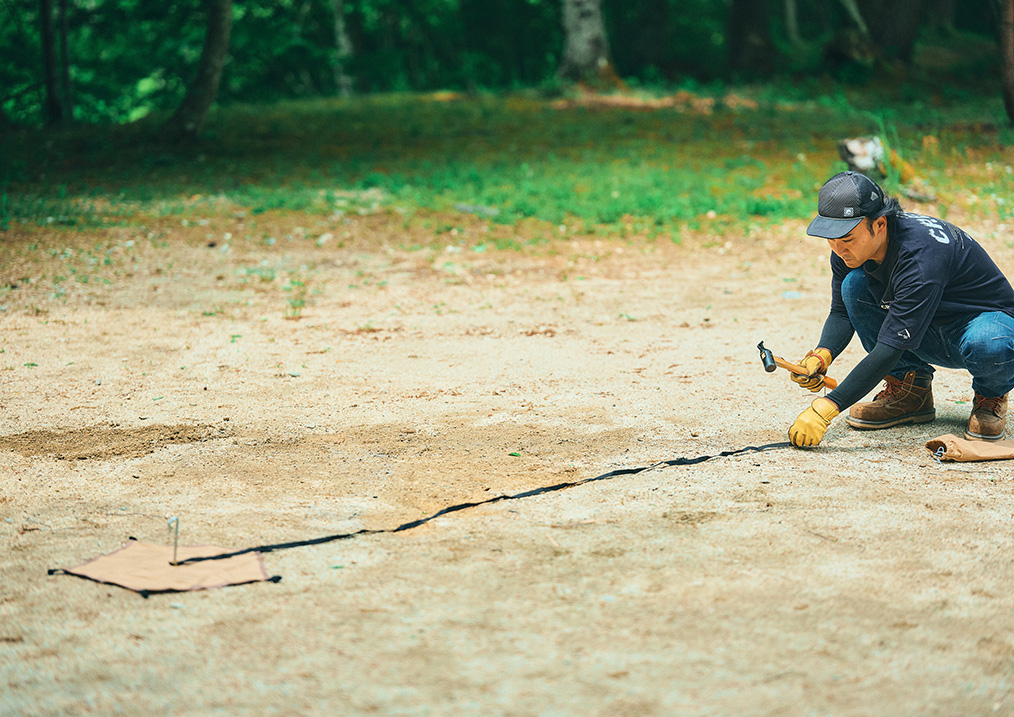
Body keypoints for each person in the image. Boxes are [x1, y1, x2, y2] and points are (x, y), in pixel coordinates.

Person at [787, 171, 1014, 447]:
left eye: (846, 240)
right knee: (853, 285)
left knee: (990, 342)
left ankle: (991, 396)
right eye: (830, 240)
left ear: (879, 224)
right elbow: (841, 312)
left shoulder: (920, 255)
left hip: (977, 325)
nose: (838, 249)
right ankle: (910, 390)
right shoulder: (848, 249)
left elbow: (890, 348)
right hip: (924, 326)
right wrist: (822, 354)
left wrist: (826, 407)